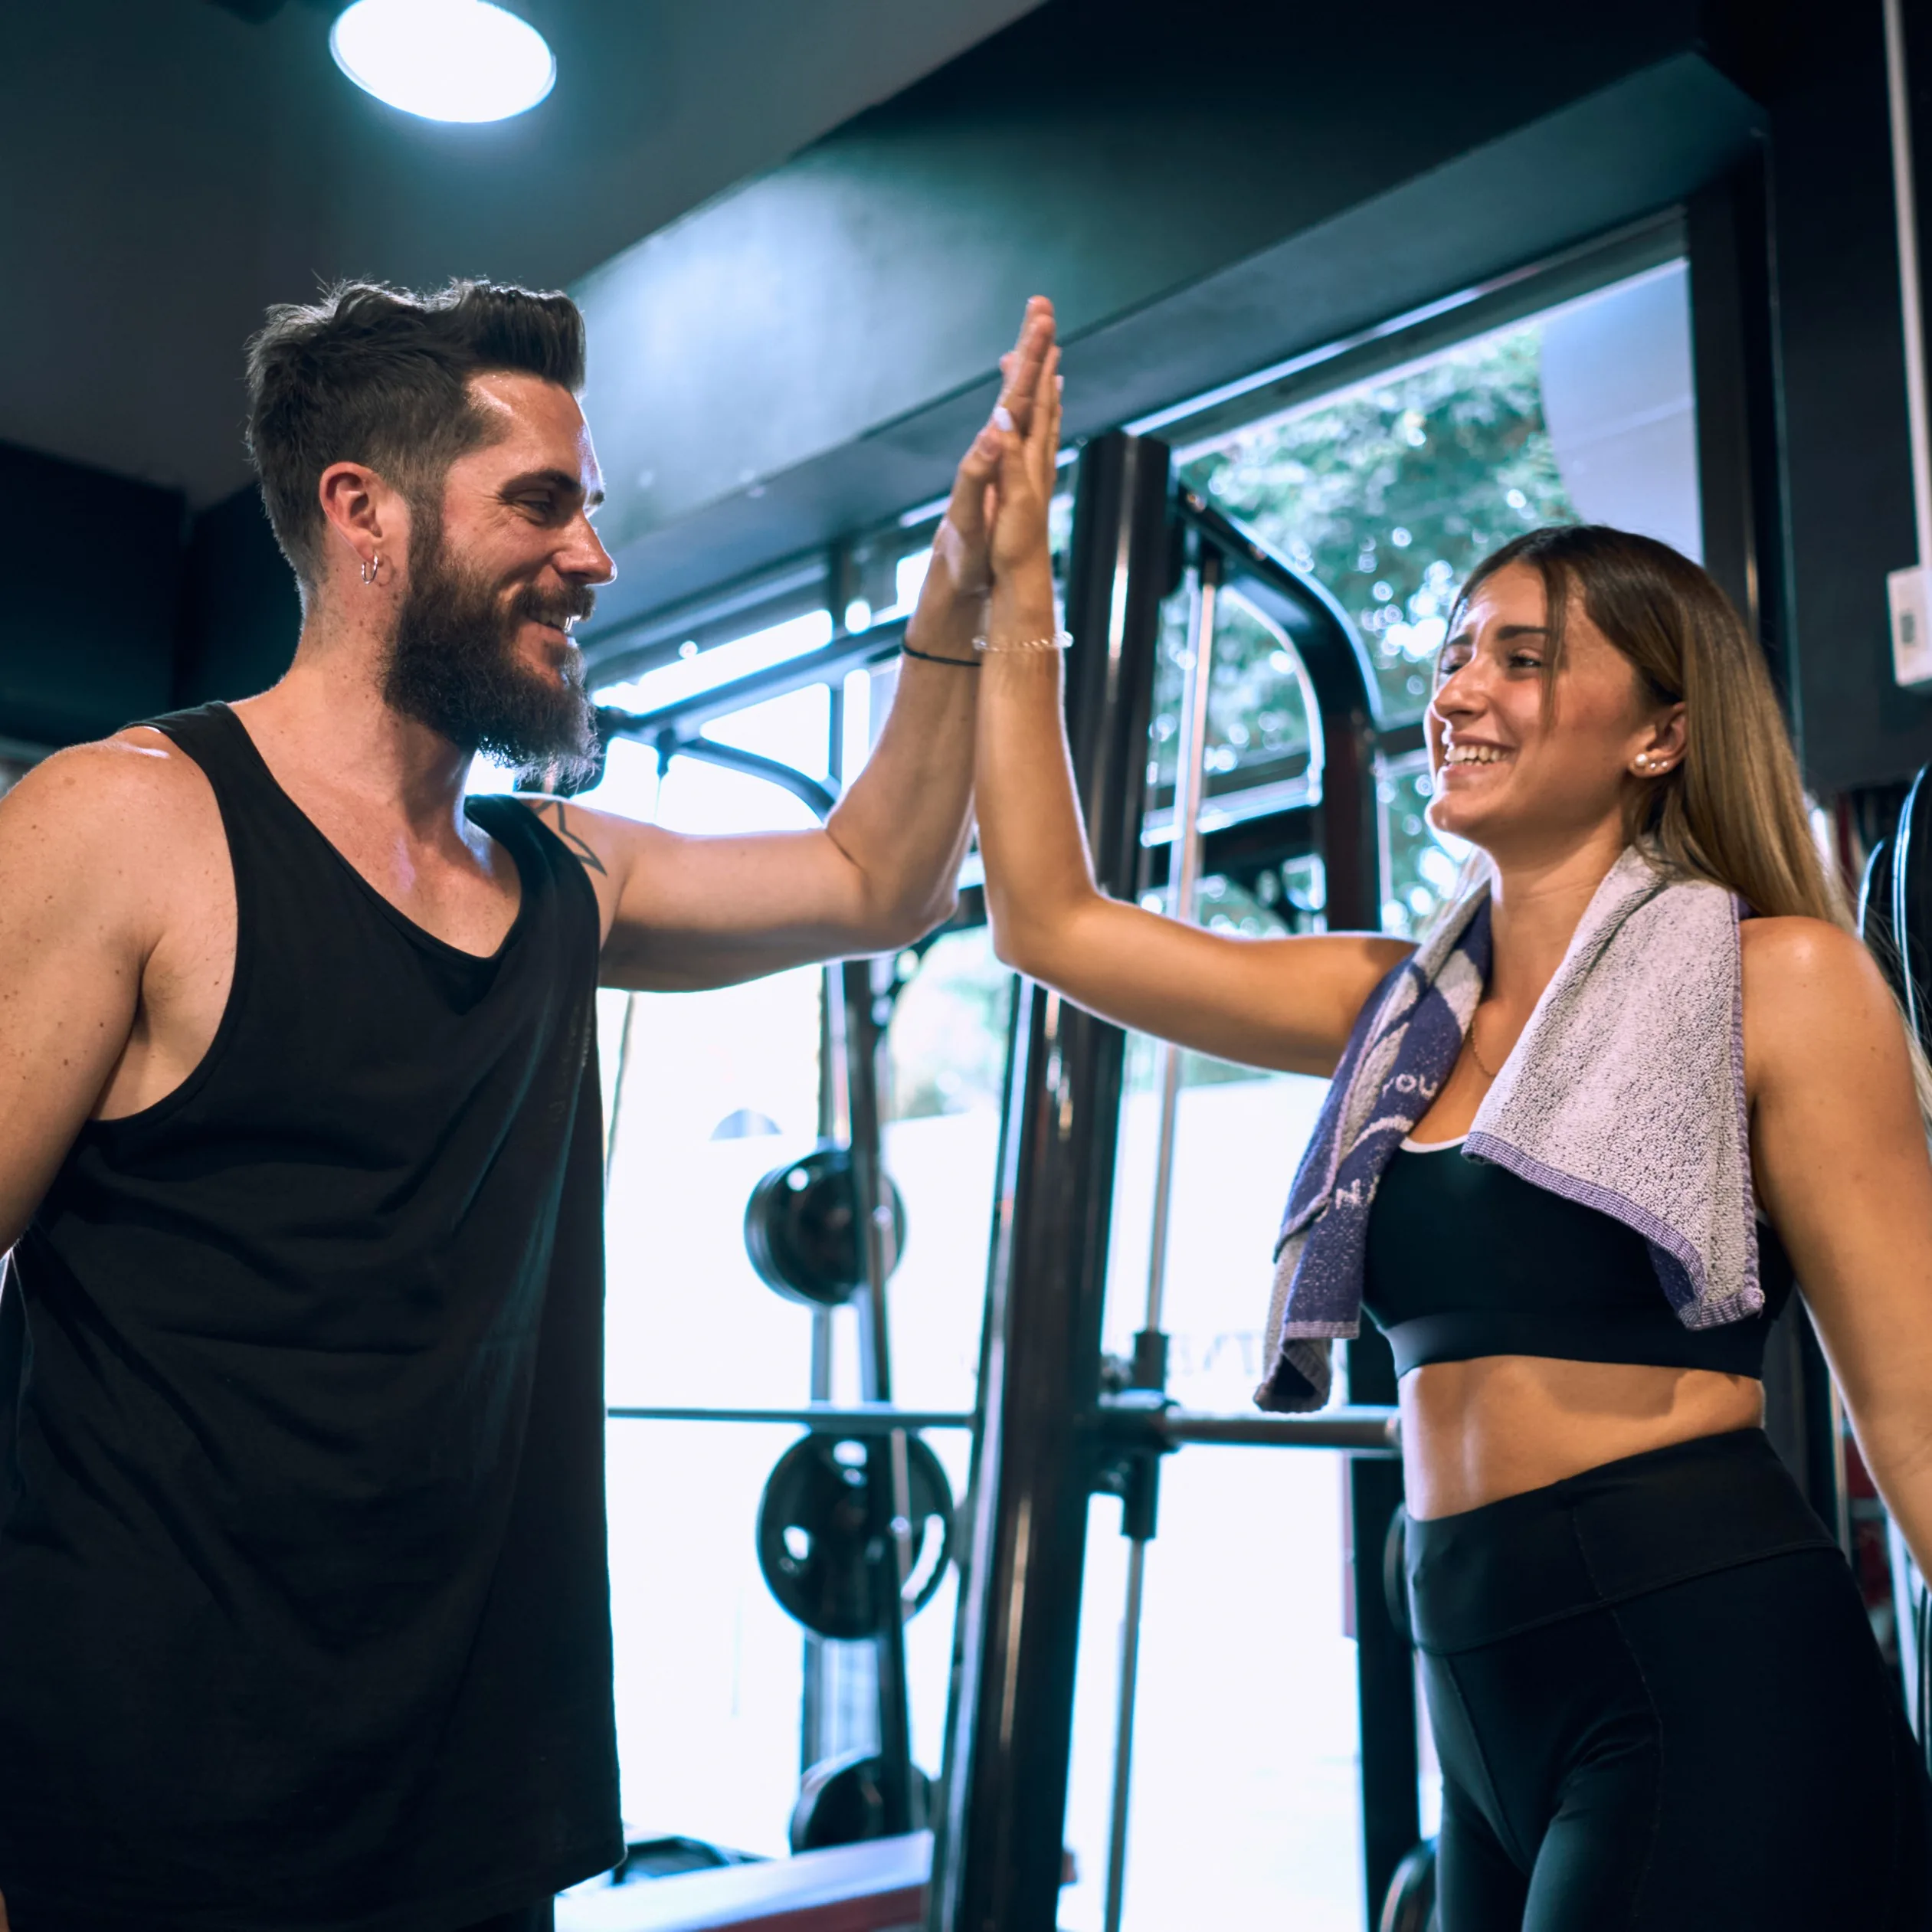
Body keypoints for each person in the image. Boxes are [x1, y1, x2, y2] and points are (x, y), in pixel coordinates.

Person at [0, 281, 1053, 1932]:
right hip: (142, 1815)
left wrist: (958, 588)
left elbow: (877, 879)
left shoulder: (555, 877)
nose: (594, 558)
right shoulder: (124, 823)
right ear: (364, 511)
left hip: (468, 1811)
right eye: (542, 503)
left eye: (592, 507)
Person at [971, 309, 1932, 1928]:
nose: (1458, 690)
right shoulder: (1390, 1011)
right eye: (1451, 657)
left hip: (1701, 1653)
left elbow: (1913, 1413)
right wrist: (1013, 589)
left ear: (1659, 730)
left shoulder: (1776, 978)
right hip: (1468, 1670)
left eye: (1521, 657)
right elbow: (1048, 923)